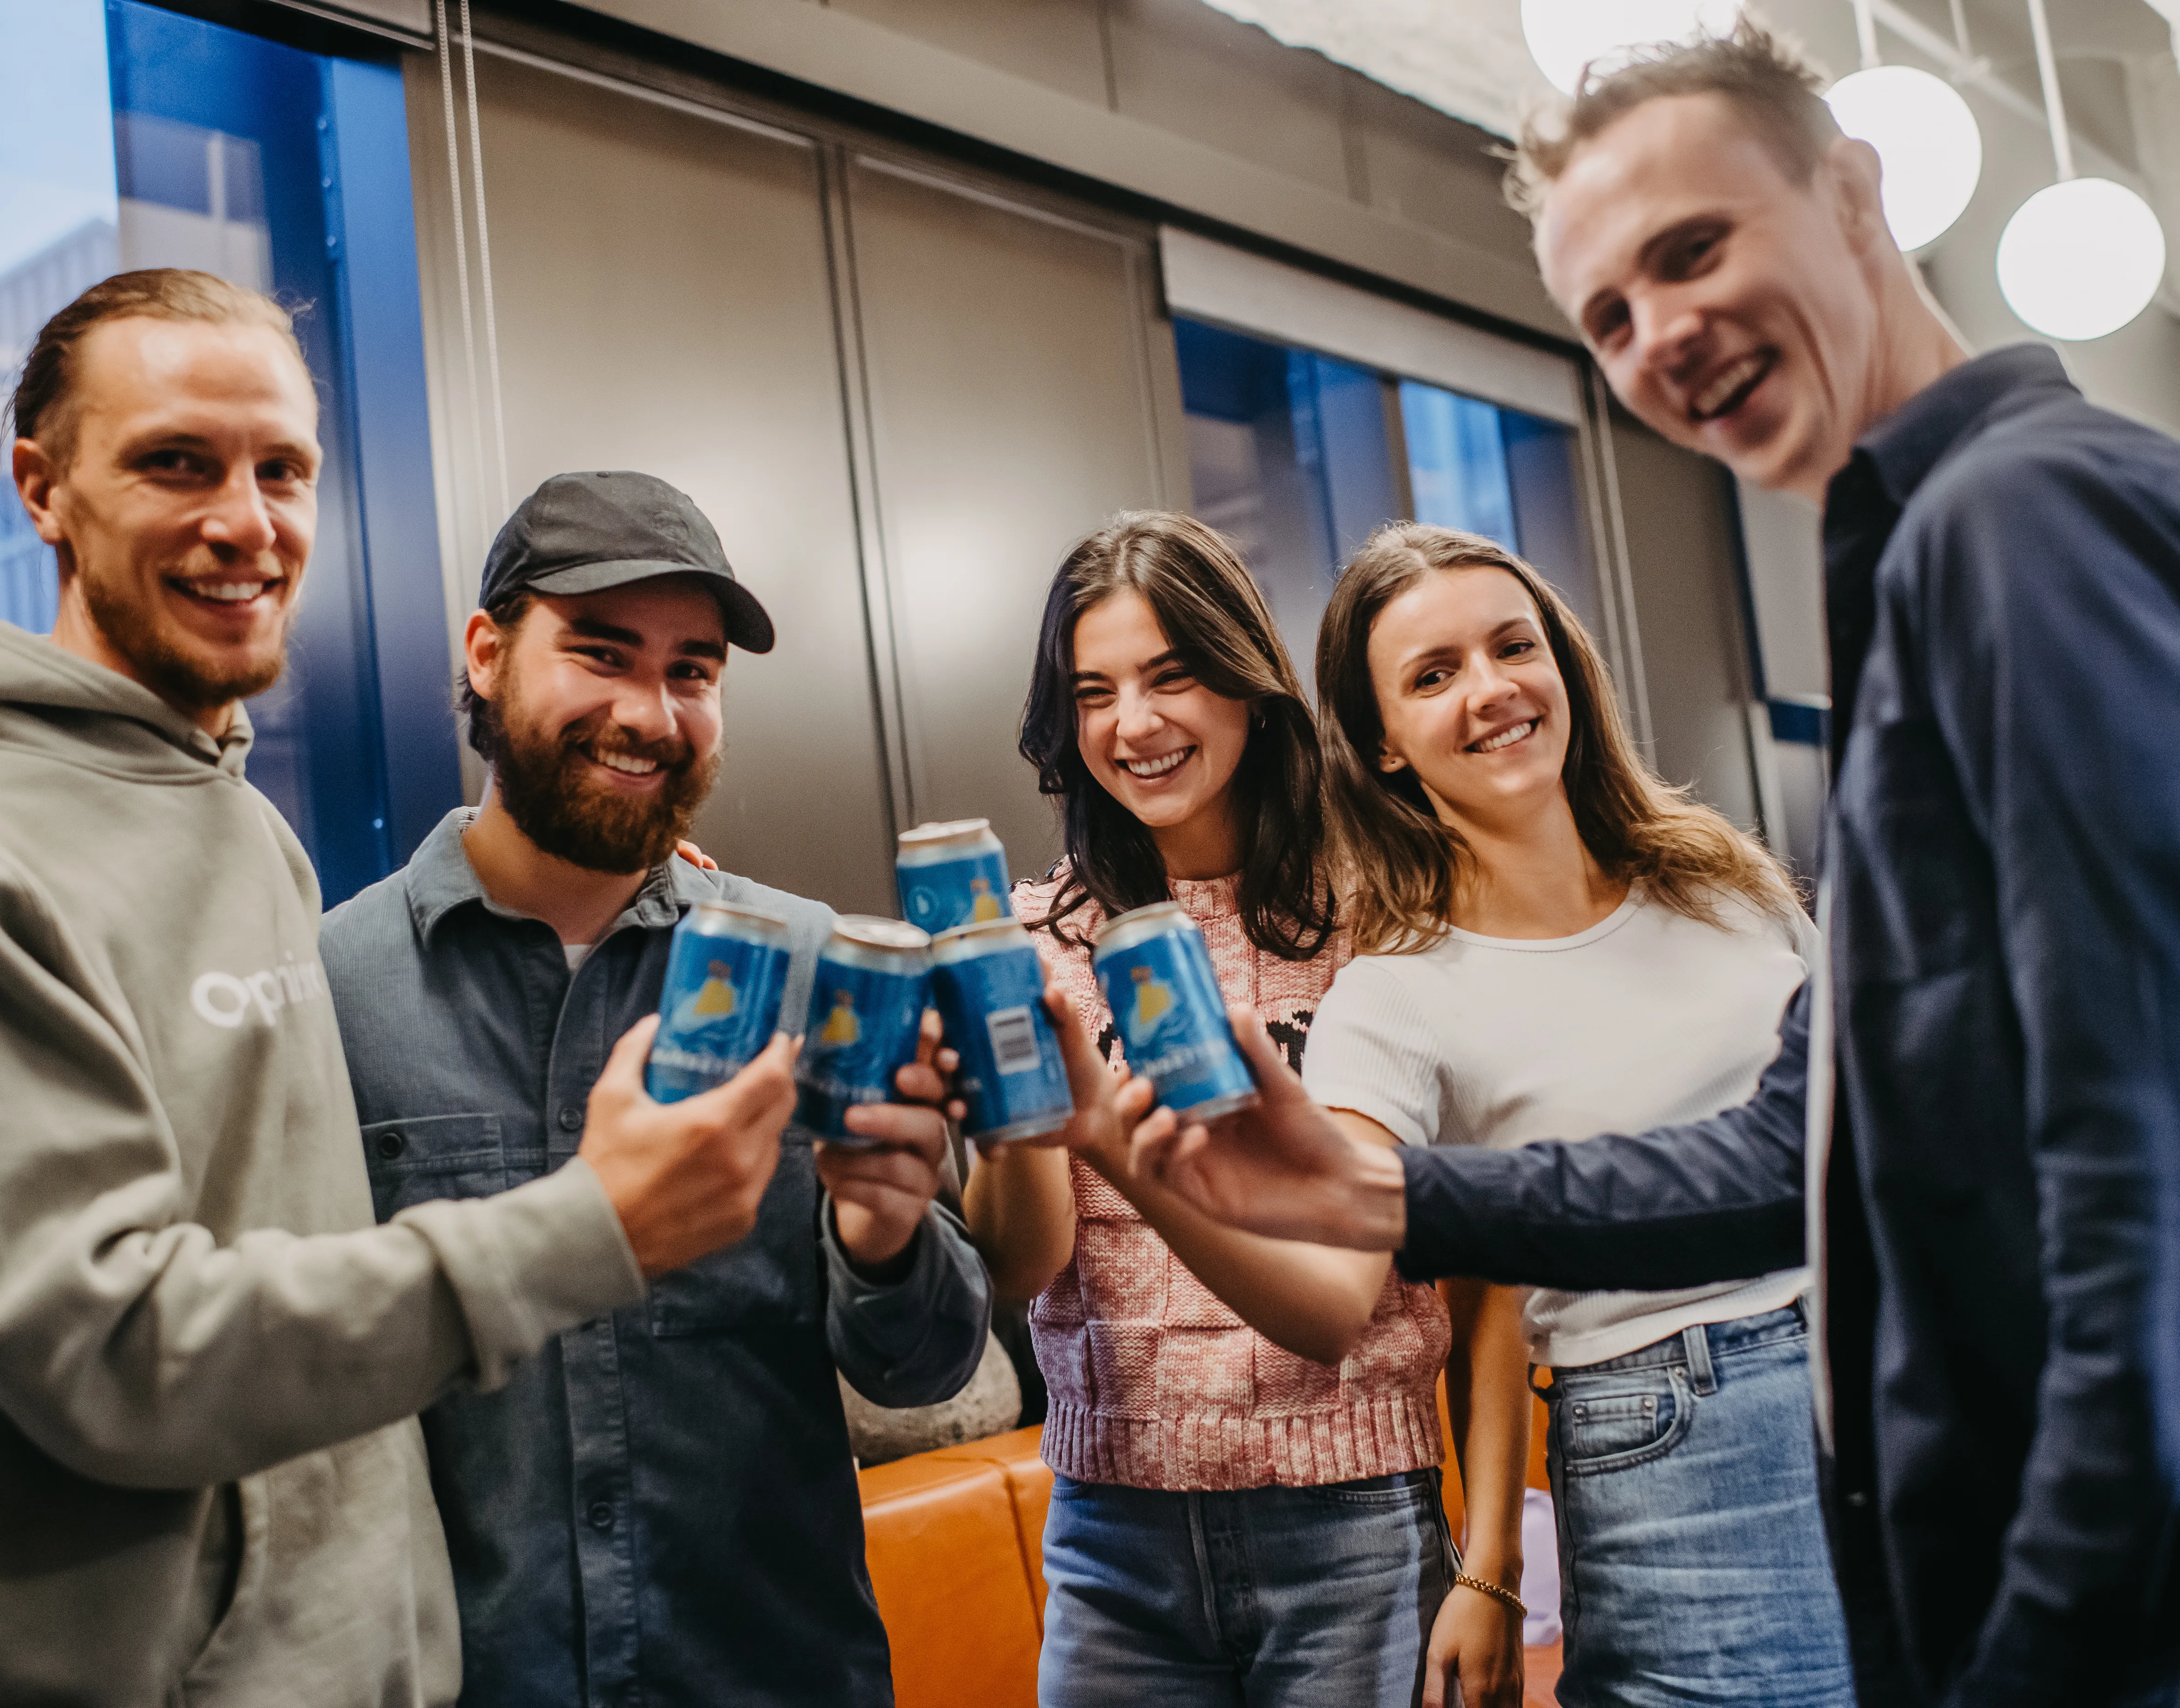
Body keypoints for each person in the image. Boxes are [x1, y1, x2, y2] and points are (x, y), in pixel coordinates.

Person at [1128, 26, 2180, 1707]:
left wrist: (2056, 1654)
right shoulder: (1939, 553)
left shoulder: (2027, 525)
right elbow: (1803, 1144)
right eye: (1610, 318)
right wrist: (1379, 1192)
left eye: (1693, 249)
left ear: (1854, 194)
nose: (1662, 341)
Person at [0, 272, 803, 1702]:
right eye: (174, 463)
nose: (245, 521)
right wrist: (591, 1228)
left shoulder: (242, 825)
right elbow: (115, 1351)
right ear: (43, 488)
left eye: (282, 469)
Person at [319, 470, 994, 1708]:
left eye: (692, 671)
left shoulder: (813, 969)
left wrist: (887, 1239)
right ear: (485, 653)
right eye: (603, 653)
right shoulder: (334, 990)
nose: (651, 711)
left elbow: (925, 1367)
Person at [1301, 519, 1851, 1708]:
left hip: (1891, 1376)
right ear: (1383, 746)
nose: (1491, 690)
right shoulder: (1397, 995)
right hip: (1678, 1431)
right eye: (1433, 676)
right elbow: (1472, 1275)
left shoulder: (1725, 882)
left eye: (1514, 646)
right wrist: (1488, 1564)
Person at [961, 511, 1465, 1708]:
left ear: (1248, 682)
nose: (1133, 725)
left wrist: (1488, 1564)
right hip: (1109, 1529)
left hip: (1351, 1518)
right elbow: (1024, 1269)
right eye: (1095, 692)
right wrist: (1014, 1096)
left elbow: (1369, 1294)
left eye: (1170, 676)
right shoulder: (1037, 936)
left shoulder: (1379, 919)